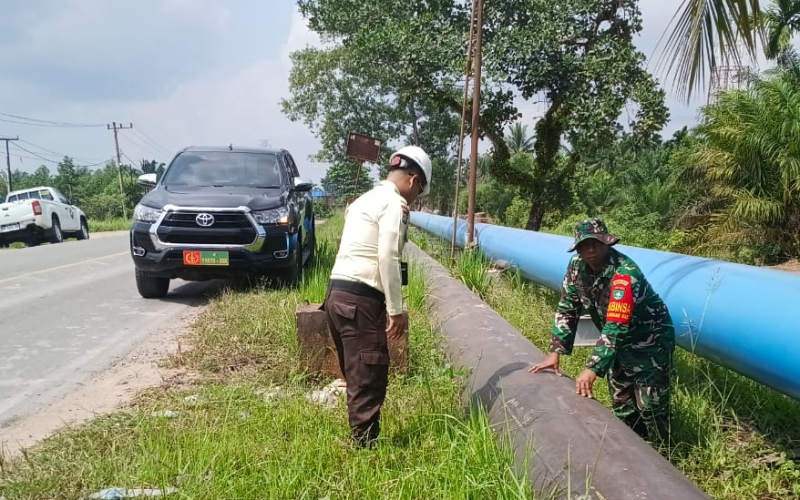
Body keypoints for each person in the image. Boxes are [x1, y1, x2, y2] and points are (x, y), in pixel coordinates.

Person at [322, 145, 432, 448]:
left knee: (356, 372)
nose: (416, 197)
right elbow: (387, 258)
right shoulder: (394, 205)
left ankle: (360, 439)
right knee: (368, 374)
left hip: (336, 294)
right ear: (412, 180)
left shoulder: (363, 200)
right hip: (361, 299)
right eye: (419, 190)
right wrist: (395, 310)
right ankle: (364, 450)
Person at [529, 218, 675, 444]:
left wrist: (592, 369)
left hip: (649, 342)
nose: (590, 250)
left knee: (651, 407)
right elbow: (568, 307)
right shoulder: (576, 268)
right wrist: (555, 352)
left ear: (607, 243)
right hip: (616, 343)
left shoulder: (625, 275)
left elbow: (615, 327)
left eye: (595, 243)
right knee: (623, 403)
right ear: (577, 248)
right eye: (584, 245)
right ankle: (631, 452)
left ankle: (664, 455)